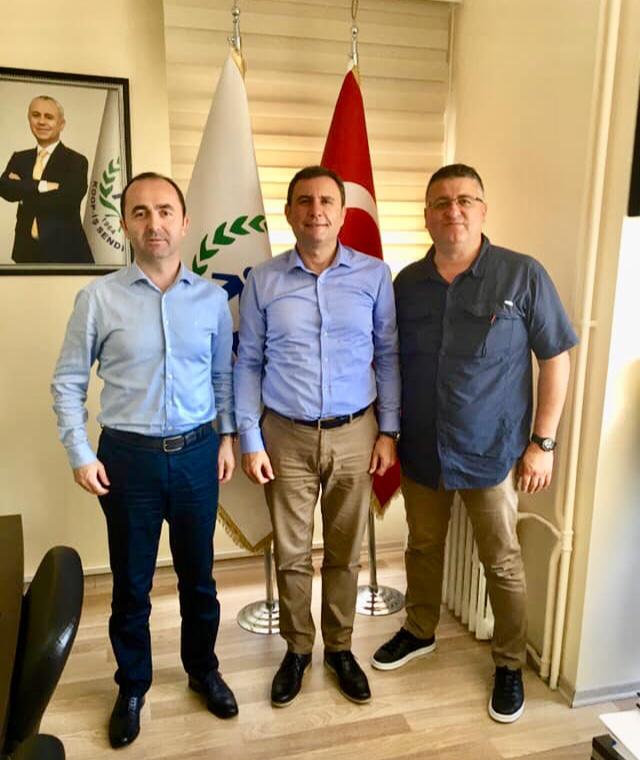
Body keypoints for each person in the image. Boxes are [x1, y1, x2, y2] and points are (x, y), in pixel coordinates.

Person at [371, 164, 578, 724]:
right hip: (422, 449)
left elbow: (555, 358)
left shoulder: (521, 274)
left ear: (483, 210)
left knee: (502, 562)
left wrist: (543, 443)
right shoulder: (406, 284)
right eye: (441, 202)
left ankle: (509, 664)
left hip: (492, 451)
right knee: (421, 546)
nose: (453, 210)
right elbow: (388, 362)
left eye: (465, 200)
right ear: (427, 216)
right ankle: (420, 630)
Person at [51, 172, 238, 749]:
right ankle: (132, 685)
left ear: (184, 222)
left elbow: (223, 378)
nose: (153, 223)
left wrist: (227, 438)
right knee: (131, 585)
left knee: (199, 580)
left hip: (197, 455)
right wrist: (80, 453)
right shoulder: (98, 299)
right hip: (126, 461)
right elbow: (68, 381)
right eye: (139, 212)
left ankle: (203, 671)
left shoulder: (212, 300)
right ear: (126, 224)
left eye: (164, 211)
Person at [234, 165, 400, 707]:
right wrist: (250, 438)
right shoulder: (264, 280)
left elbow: (388, 355)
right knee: (291, 553)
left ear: (343, 212)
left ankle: (341, 648)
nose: (316, 211)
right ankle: (298, 649)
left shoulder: (374, 275)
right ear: (289, 213)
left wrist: (389, 430)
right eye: (304, 201)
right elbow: (248, 361)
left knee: (345, 553)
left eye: (327, 200)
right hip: (285, 435)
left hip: (357, 433)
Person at [0, 95, 93, 264]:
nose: (41, 122)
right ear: (29, 119)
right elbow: (5, 189)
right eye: (36, 115)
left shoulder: (76, 161)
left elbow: (68, 199)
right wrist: (43, 186)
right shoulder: (19, 158)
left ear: (61, 124)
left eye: (49, 117)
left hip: (66, 254)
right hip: (25, 253)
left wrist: (22, 189)